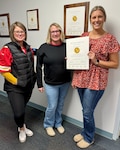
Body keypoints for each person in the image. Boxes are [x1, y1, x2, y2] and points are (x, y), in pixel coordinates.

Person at [71, 6, 120, 149]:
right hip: (81, 78)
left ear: (104, 18)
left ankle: (89, 137)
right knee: (85, 110)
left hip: (97, 81)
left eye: (99, 17)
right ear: (90, 19)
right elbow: (78, 58)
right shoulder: (84, 36)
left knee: (87, 111)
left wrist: (96, 61)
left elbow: (115, 64)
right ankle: (85, 131)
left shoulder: (110, 39)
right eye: (94, 17)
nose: (96, 20)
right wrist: (73, 65)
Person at [0, 21, 36, 143]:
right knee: (19, 112)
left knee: (22, 108)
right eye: (17, 31)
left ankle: (22, 125)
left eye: (22, 31)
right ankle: (21, 128)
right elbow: (4, 71)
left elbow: (33, 56)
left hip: (28, 85)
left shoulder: (28, 47)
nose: (20, 33)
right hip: (15, 87)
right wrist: (18, 82)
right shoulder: (7, 49)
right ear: (12, 33)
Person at [36, 23, 71, 137]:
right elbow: (38, 66)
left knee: (60, 104)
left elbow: (74, 63)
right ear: (49, 34)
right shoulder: (44, 47)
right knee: (52, 106)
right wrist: (39, 84)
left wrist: (70, 60)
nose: (55, 33)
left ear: (61, 33)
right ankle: (48, 125)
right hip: (51, 83)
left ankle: (58, 123)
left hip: (65, 82)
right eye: (53, 31)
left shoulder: (67, 46)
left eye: (57, 31)